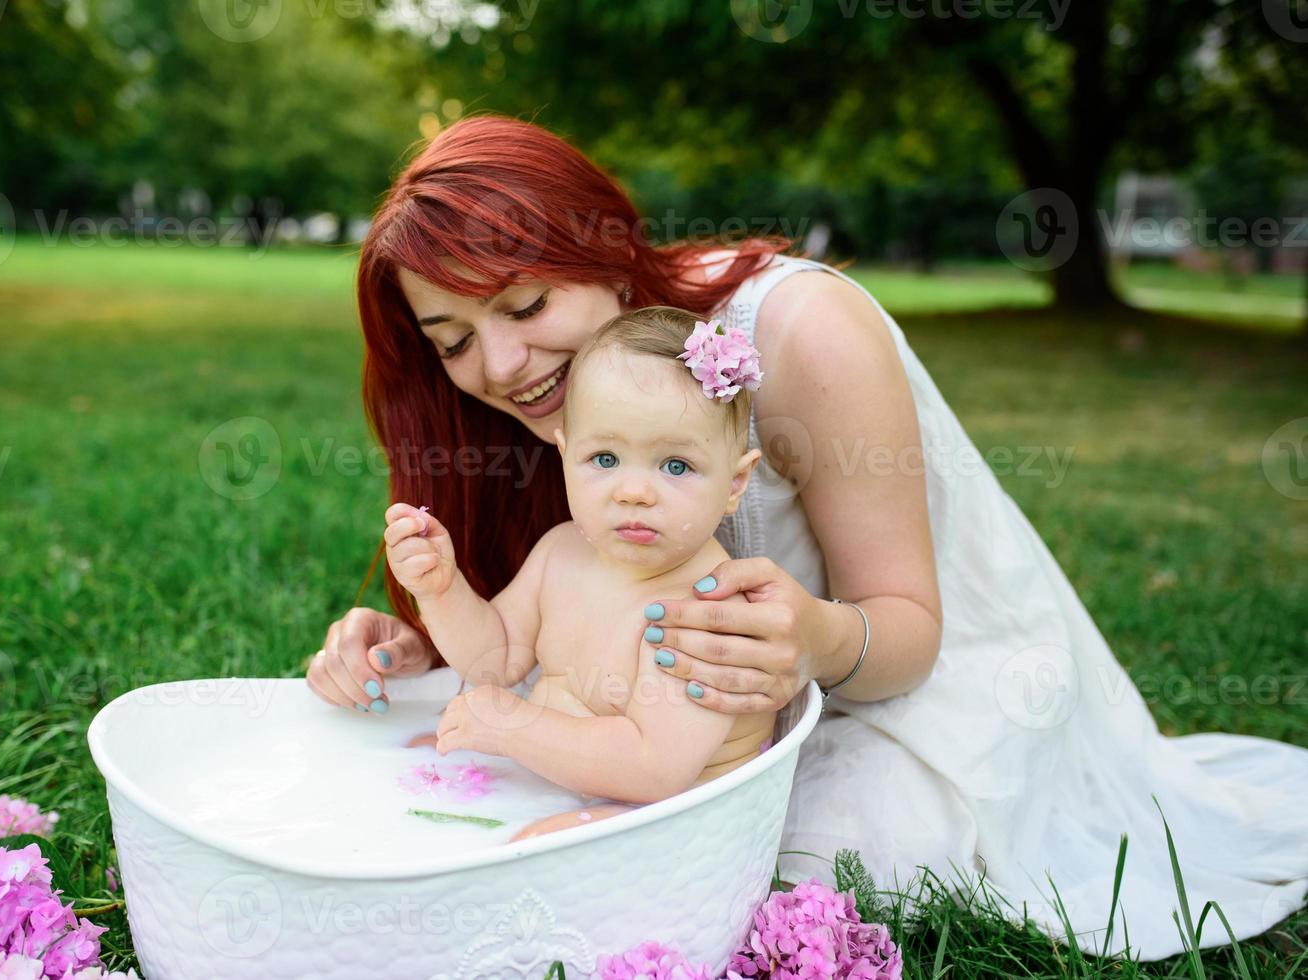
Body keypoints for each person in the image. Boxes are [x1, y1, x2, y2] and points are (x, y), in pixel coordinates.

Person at [305, 114, 1308, 960]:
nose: (504, 361)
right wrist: (418, 634)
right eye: (453, 340)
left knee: (798, 867)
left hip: (903, 691)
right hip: (668, 710)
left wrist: (809, 638)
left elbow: (908, 631)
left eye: (525, 303)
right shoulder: (523, 400)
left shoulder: (794, 331)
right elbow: (524, 626)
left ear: (604, 251)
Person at [376, 307, 774, 838]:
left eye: (675, 466)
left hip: (680, 821)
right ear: (565, 456)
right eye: (604, 459)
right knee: (412, 779)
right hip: (572, 786)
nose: (633, 491)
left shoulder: (707, 611)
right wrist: (442, 589)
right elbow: (492, 658)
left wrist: (512, 725)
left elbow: (656, 767)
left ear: (734, 483)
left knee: (520, 848)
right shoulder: (561, 553)